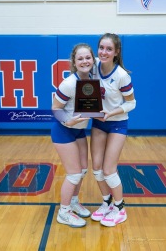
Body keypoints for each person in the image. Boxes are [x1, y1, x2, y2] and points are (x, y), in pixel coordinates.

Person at [90, 33, 136, 227]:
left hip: (117, 123)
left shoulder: (121, 76)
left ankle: (120, 208)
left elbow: (132, 103)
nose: (104, 52)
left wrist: (111, 113)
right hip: (99, 123)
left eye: (109, 49)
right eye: (101, 47)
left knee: (109, 169)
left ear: (116, 52)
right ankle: (107, 202)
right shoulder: (92, 67)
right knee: (97, 168)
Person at [51, 43, 96, 228]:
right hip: (64, 130)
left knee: (83, 169)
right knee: (74, 174)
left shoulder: (94, 78)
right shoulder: (69, 84)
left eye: (88, 57)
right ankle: (64, 212)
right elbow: (55, 109)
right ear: (74, 62)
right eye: (80, 58)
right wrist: (67, 122)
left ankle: (74, 202)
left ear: (93, 59)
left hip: (79, 130)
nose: (85, 61)